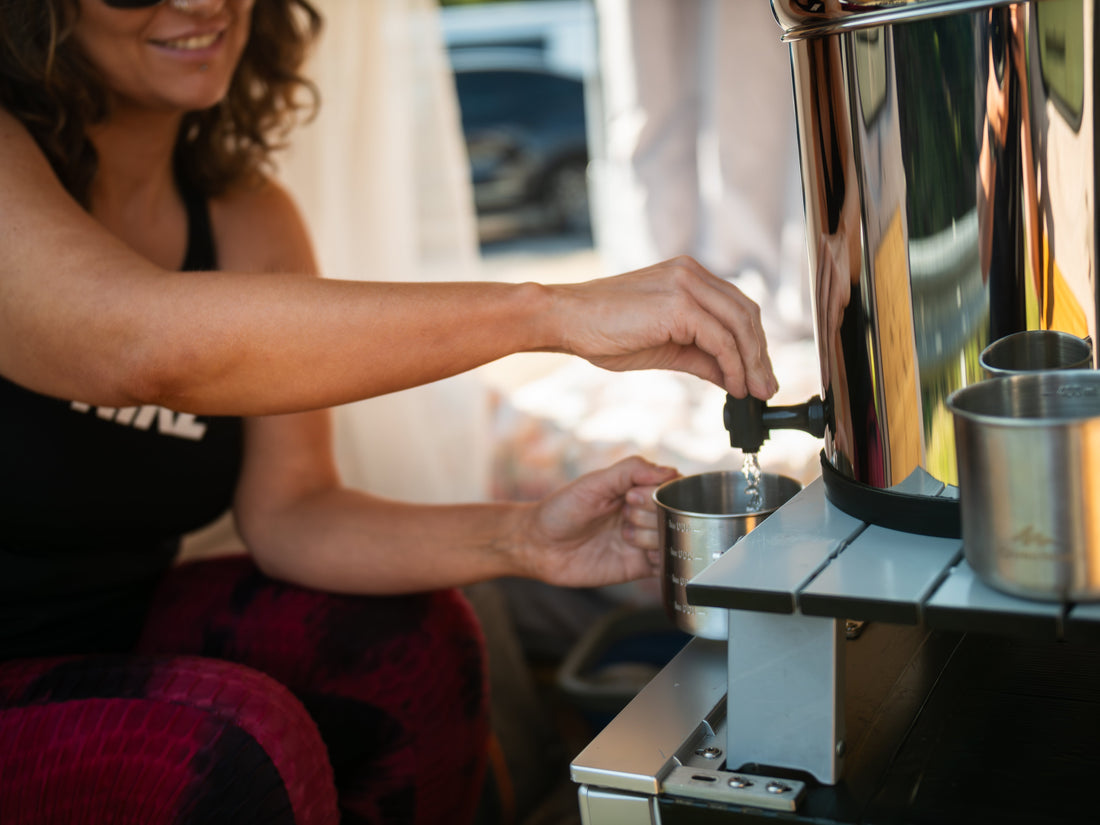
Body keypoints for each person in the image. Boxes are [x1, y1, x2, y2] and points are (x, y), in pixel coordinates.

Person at [0, 1, 777, 824]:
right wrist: (550, 313)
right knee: (232, 748)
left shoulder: (246, 218)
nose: (201, 2)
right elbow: (134, 347)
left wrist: (523, 539)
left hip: (117, 640)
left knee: (418, 642)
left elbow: (291, 510)